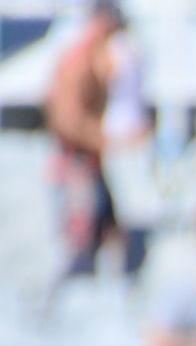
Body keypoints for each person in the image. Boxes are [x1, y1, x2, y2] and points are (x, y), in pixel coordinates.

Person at [44, 2, 125, 280]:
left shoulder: (94, 56)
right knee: (81, 228)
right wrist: (104, 140)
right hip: (76, 154)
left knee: (104, 221)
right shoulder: (79, 60)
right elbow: (68, 117)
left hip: (88, 154)